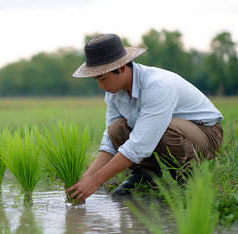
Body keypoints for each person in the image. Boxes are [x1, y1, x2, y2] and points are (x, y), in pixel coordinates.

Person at [66, 33, 223, 203]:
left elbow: (140, 145)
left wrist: (95, 181)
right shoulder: (113, 93)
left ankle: (191, 184)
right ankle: (146, 178)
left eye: (103, 78)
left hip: (205, 133)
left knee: (164, 130)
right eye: (96, 80)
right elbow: (110, 143)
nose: (101, 86)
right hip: (166, 132)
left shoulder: (157, 86)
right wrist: (85, 178)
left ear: (122, 68)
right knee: (116, 129)